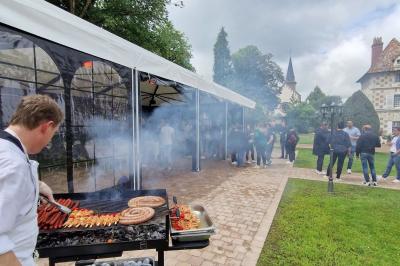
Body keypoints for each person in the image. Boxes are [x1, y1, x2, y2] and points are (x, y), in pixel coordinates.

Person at [0, 95, 63, 266]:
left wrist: (38, 185)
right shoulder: (13, 165)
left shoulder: (8, 148)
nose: (50, 141)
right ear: (46, 127)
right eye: (54, 133)